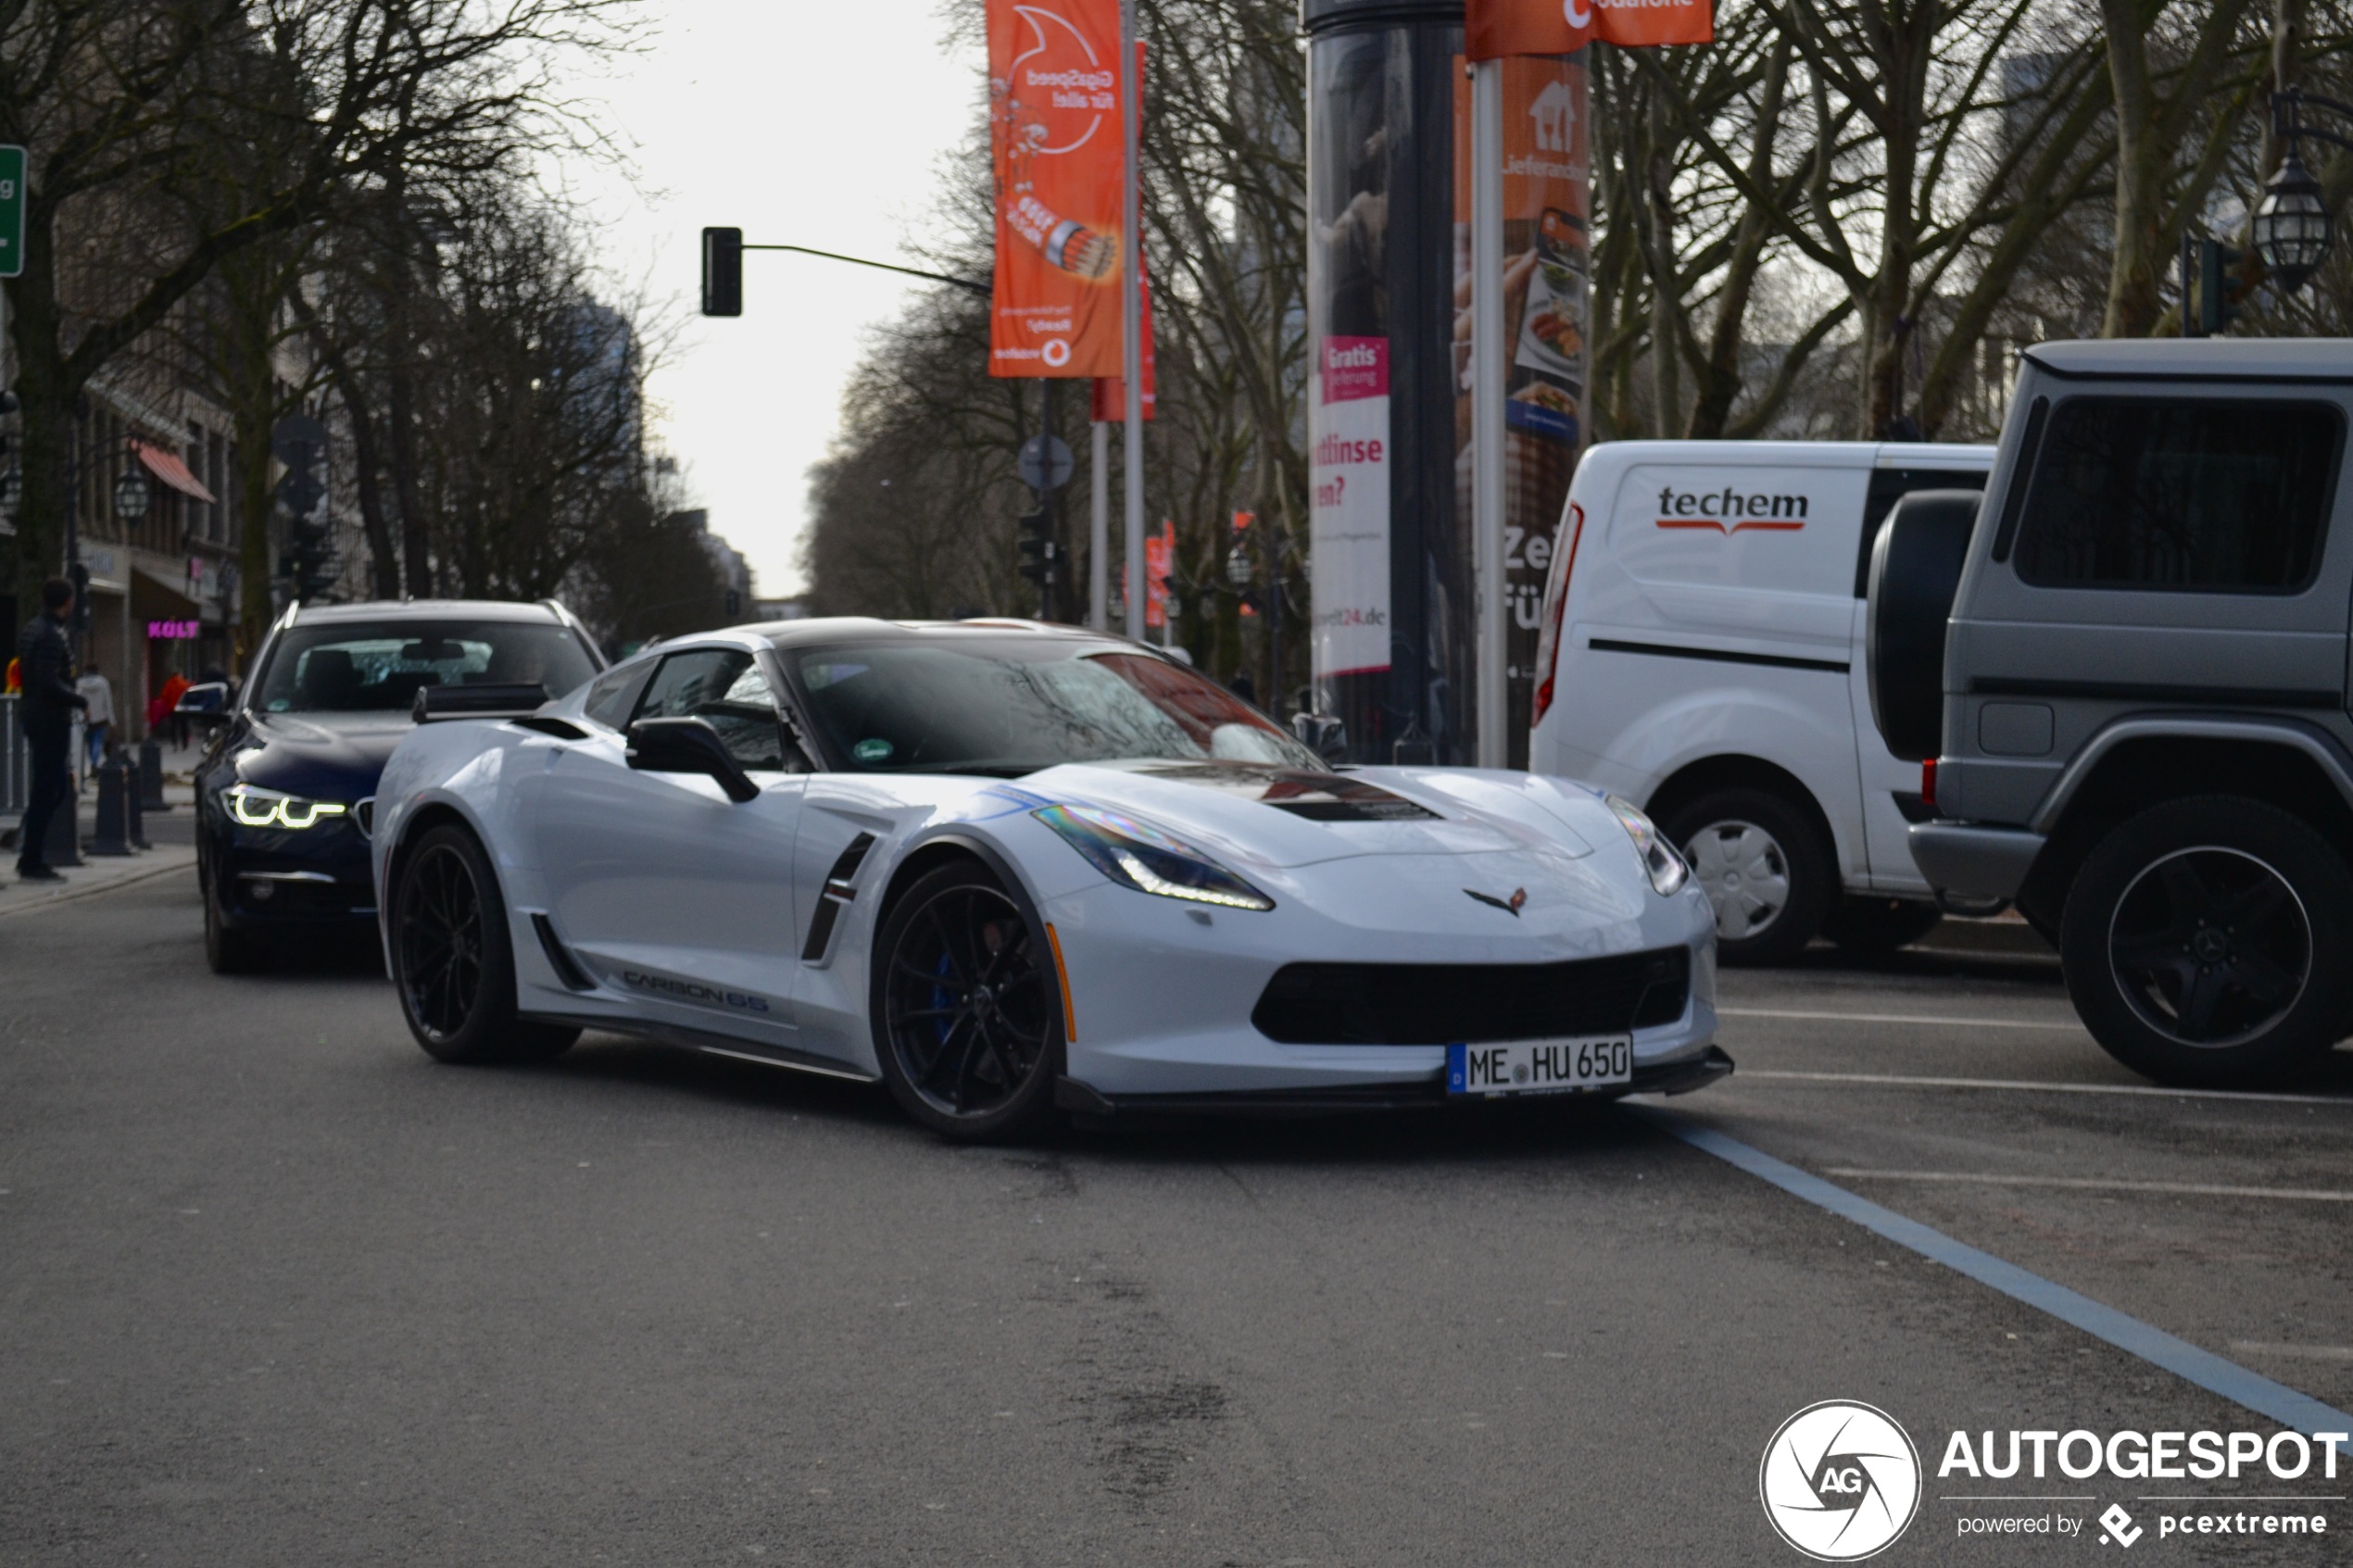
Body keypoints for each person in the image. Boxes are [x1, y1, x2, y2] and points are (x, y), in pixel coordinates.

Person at [16, 578, 89, 883]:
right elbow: (47, 681)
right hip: (49, 719)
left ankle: (31, 851)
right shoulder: (49, 634)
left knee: (52, 788)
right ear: (68, 601)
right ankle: (31, 857)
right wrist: (77, 699)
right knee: (49, 789)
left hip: (39, 717)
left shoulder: (36, 628)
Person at [76, 662, 113, 771]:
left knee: (90, 743)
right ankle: (94, 763)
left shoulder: (80, 683)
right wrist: (112, 720)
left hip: (86, 718)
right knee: (98, 742)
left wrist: (81, 716)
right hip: (100, 718)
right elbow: (108, 702)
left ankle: (92, 761)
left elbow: (77, 700)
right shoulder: (103, 683)